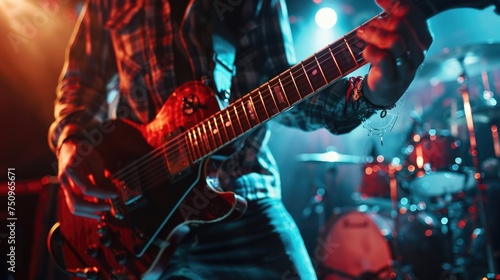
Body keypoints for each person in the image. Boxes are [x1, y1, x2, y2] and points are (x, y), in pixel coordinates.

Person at [48, 0, 432, 278]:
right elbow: (80, 83)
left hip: (241, 196)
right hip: (130, 214)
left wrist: (369, 95)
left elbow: (282, 94)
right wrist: (71, 145)